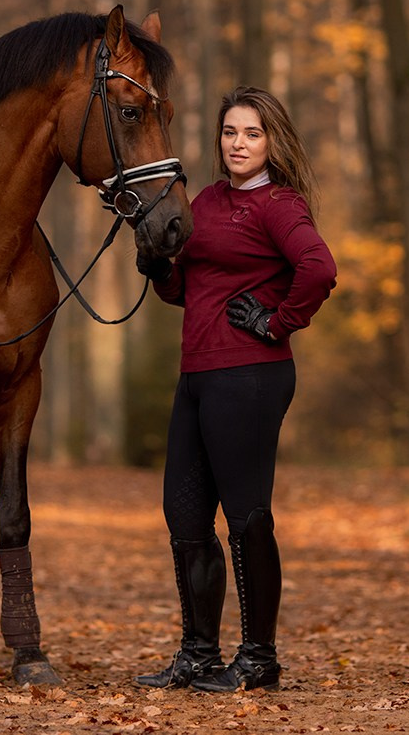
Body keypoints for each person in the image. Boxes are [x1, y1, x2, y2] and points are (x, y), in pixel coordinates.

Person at [133, 86, 337, 693]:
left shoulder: (278, 205)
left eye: (251, 133)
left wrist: (278, 322)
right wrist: (159, 268)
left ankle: (258, 659)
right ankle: (197, 655)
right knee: (185, 515)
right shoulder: (207, 199)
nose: (238, 144)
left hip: (250, 375)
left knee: (246, 517)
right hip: (197, 373)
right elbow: (187, 292)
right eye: (229, 133)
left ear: (271, 141)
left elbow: (319, 269)